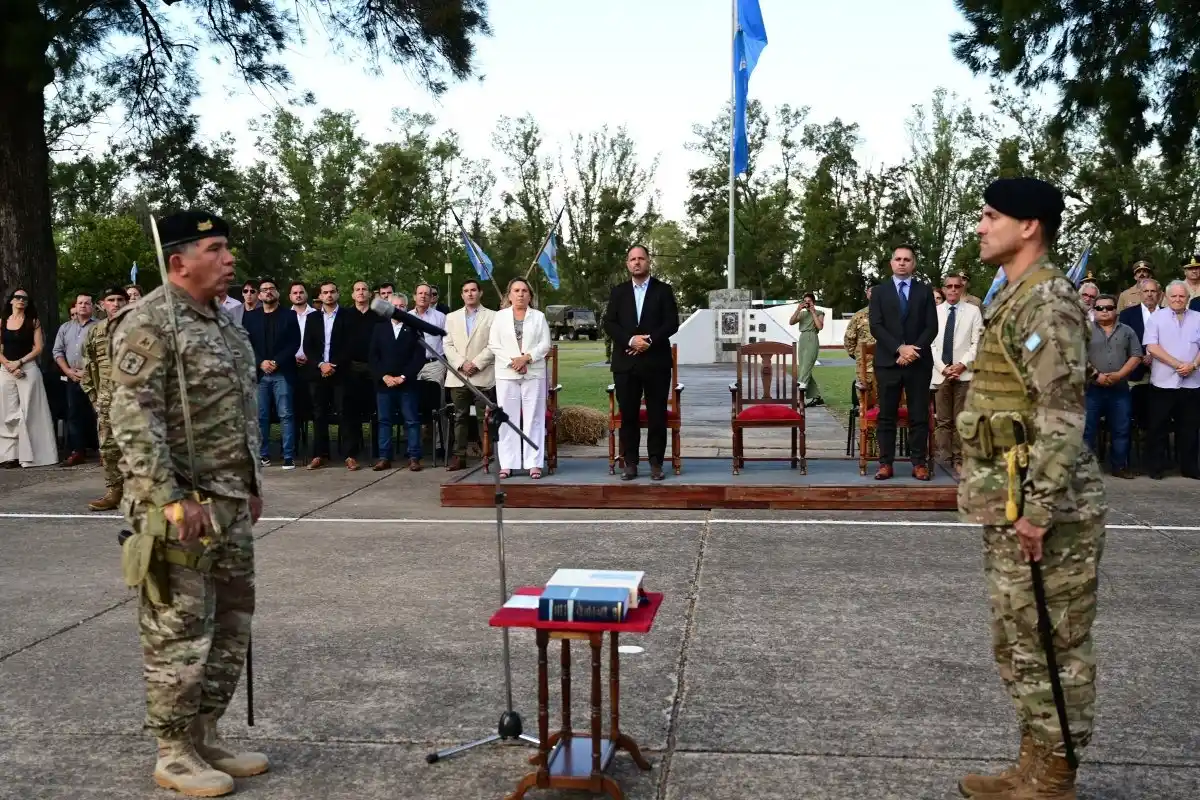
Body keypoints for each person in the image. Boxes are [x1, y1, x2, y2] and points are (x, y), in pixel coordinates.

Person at [956, 177, 1106, 800]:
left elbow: (1062, 414)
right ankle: (1032, 763)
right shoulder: (1014, 296)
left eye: (992, 216)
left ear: (1029, 227)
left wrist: (1039, 511)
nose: (981, 226)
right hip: (1011, 499)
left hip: (1048, 509)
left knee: (1055, 640)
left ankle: (1056, 777)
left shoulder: (1047, 302)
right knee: (1020, 640)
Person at [108, 210, 267, 797]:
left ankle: (205, 734)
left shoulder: (224, 325)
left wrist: (249, 484)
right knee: (179, 632)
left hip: (228, 502)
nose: (229, 259)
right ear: (179, 261)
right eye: (216, 248)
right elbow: (132, 417)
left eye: (227, 247)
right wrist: (169, 500)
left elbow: (238, 414)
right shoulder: (149, 322)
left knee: (230, 624)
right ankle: (173, 751)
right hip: (182, 509)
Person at [601, 244, 680, 480]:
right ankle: (631, 463)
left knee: (657, 415)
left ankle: (656, 463)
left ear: (648, 262)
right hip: (626, 364)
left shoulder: (663, 290)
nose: (637, 262)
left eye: (641, 258)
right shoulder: (618, 292)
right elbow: (609, 323)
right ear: (627, 264)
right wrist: (631, 340)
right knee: (629, 416)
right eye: (632, 259)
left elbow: (671, 323)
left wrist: (650, 341)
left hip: (656, 362)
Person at [868, 245, 938, 480]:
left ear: (913, 264)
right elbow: (876, 326)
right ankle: (885, 463)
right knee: (886, 415)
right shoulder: (879, 292)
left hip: (918, 363)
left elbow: (932, 327)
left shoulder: (925, 291)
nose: (902, 263)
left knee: (918, 414)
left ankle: (918, 463)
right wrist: (899, 348)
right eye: (897, 259)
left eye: (907, 259)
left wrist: (912, 351)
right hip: (888, 362)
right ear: (891, 263)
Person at [488, 277, 551, 478]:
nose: (520, 294)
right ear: (509, 295)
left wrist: (526, 359)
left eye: (524, 291)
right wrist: (513, 362)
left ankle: (534, 463)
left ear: (530, 295)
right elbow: (494, 344)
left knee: (534, 417)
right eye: (516, 290)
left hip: (533, 372)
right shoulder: (500, 317)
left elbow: (545, 344)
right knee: (508, 418)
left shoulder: (539, 317)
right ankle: (508, 463)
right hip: (507, 373)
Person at [1142, 280, 1200, 479]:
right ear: (1166, 297)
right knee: (1158, 427)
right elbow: (1152, 347)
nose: (1177, 299)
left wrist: (1193, 365)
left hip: (1192, 382)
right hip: (1163, 382)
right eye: (1173, 296)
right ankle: (1156, 467)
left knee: (1190, 428)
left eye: (1181, 296)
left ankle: (1190, 468)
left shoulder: (1198, 318)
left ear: (1188, 298)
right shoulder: (1156, 318)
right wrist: (1178, 365)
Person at [930, 274, 983, 478]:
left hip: (964, 374)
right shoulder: (934, 312)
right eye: (949, 287)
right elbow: (930, 343)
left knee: (961, 418)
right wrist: (944, 367)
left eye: (956, 286)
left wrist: (961, 365)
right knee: (943, 420)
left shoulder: (973, 311)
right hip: (941, 373)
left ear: (962, 289)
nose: (952, 290)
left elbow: (977, 342)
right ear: (943, 289)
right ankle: (944, 459)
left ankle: (960, 459)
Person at [81, 286, 129, 509]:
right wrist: (94, 397)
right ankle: (114, 491)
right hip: (107, 400)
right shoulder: (95, 332)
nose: (116, 303)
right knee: (109, 448)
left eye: (121, 299)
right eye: (111, 299)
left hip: (137, 400)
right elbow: (88, 366)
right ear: (103, 304)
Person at [1084, 294, 1142, 478]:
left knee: (1121, 428)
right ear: (1094, 311)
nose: (1104, 311)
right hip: (1091, 388)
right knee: (1088, 429)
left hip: (1119, 388)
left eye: (1108, 307)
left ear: (1116, 310)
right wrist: (1097, 375)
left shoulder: (1127, 331)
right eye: (1100, 308)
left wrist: (1120, 375)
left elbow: (1136, 355)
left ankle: (1119, 467)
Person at [368, 294, 427, 471]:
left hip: (406, 383)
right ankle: (384, 457)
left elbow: (419, 357)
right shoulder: (379, 328)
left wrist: (403, 377)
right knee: (384, 421)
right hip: (384, 384)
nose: (398, 309)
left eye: (402, 306)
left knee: (411, 421)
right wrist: (384, 376)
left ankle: (414, 456)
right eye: (395, 306)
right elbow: (373, 356)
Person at [0, 289, 58, 468]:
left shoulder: (33, 322)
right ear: (11, 301)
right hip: (5, 369)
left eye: (24, 298)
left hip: (27, 368)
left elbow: (38, 348)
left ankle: (32, 457)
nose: (21, 300)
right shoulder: (2, 322)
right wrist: (9, 366)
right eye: (17, 297)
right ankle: (9, 456)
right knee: (6, 412)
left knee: (29, 411)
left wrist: (19, 363)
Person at [443, 279, 496, 471]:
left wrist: (476, 363)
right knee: (460, 417)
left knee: (485, 418)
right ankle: (459, 456)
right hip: (459, 376)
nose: (470, 294)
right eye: (466, 291)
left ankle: (487, 455)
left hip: (483, 374)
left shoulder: (493, 316)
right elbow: (447, 345)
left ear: (480, 293)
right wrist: (461, 364)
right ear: (462, 295)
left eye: (473, 290)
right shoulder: (451, 317)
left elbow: (494, 344)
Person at [789, 292, 825, 407]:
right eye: (805, 301)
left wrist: (813, 312)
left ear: (813, 302)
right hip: (803, 339)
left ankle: (800, 398)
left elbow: (819, 326)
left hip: (812, 338)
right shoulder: (802, 314)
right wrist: (798, 309)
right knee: (804, 369)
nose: (807, 303)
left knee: (805, 369)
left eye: (809, 301)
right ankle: (817, 396)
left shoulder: (819, 313)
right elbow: (791, 322)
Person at [844, 286, 876, 399]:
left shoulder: (890, 314)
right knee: (864, 394)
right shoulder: (859, 315)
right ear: (867, 294)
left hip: (885, 363)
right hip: (864, 364)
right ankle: (866, 415)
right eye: (871, 291)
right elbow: (849, 337)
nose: (873, 294)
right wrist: (856, 354)